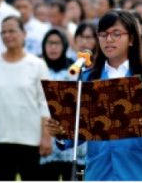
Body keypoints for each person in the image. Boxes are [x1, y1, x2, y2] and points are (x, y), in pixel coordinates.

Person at [47, 9, 142, 180]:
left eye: (116, 34)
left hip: (139, 171)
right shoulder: (86, 77)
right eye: (103, 34)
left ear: (131, 39)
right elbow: (77, 133)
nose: (108, 39)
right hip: (99, 172)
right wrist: (60, 132)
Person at [0, 16, 51, 180]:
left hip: (30, 139)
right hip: (0, 136)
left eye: (12, 31)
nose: (8, 35)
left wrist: (46, 137)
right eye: (4, 32)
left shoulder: (37, 65)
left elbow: (45, 103)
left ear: (24, 33)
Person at [39, 28, 87, 180]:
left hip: (70, 139)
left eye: (57, 43)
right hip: (43, 136)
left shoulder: (75, 69)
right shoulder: (37, 67)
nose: (53, 47)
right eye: (49, 43)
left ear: (65, 45)